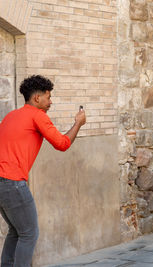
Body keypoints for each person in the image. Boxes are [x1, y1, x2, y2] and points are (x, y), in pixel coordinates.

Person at [0, 75, 86, 266]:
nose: (50, 102)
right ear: (37, 98)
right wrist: (78, 123)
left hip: (3, 183)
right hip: (12, 182)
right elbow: (62, 144)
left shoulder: (11, 116)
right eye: (48, 97)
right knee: (29, 233)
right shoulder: (37, 115)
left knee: (16, 231)